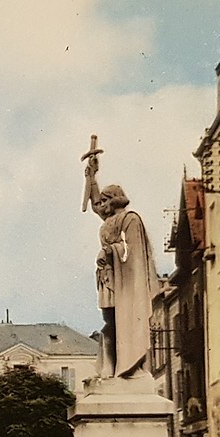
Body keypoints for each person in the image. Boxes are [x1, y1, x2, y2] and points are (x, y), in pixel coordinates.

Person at [83, 153, 159, 378]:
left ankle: (129, 366)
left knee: (122, 320)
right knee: (109, 321)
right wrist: (92, 178)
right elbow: (95, 205)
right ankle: (111, 366)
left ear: (116, 199)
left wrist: (109, 251)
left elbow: (133, 253)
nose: (101, 204)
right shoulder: (109, 221)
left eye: (106, 200)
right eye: (102, 200)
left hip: (124, 281)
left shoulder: (130, 219)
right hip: (108, 278)